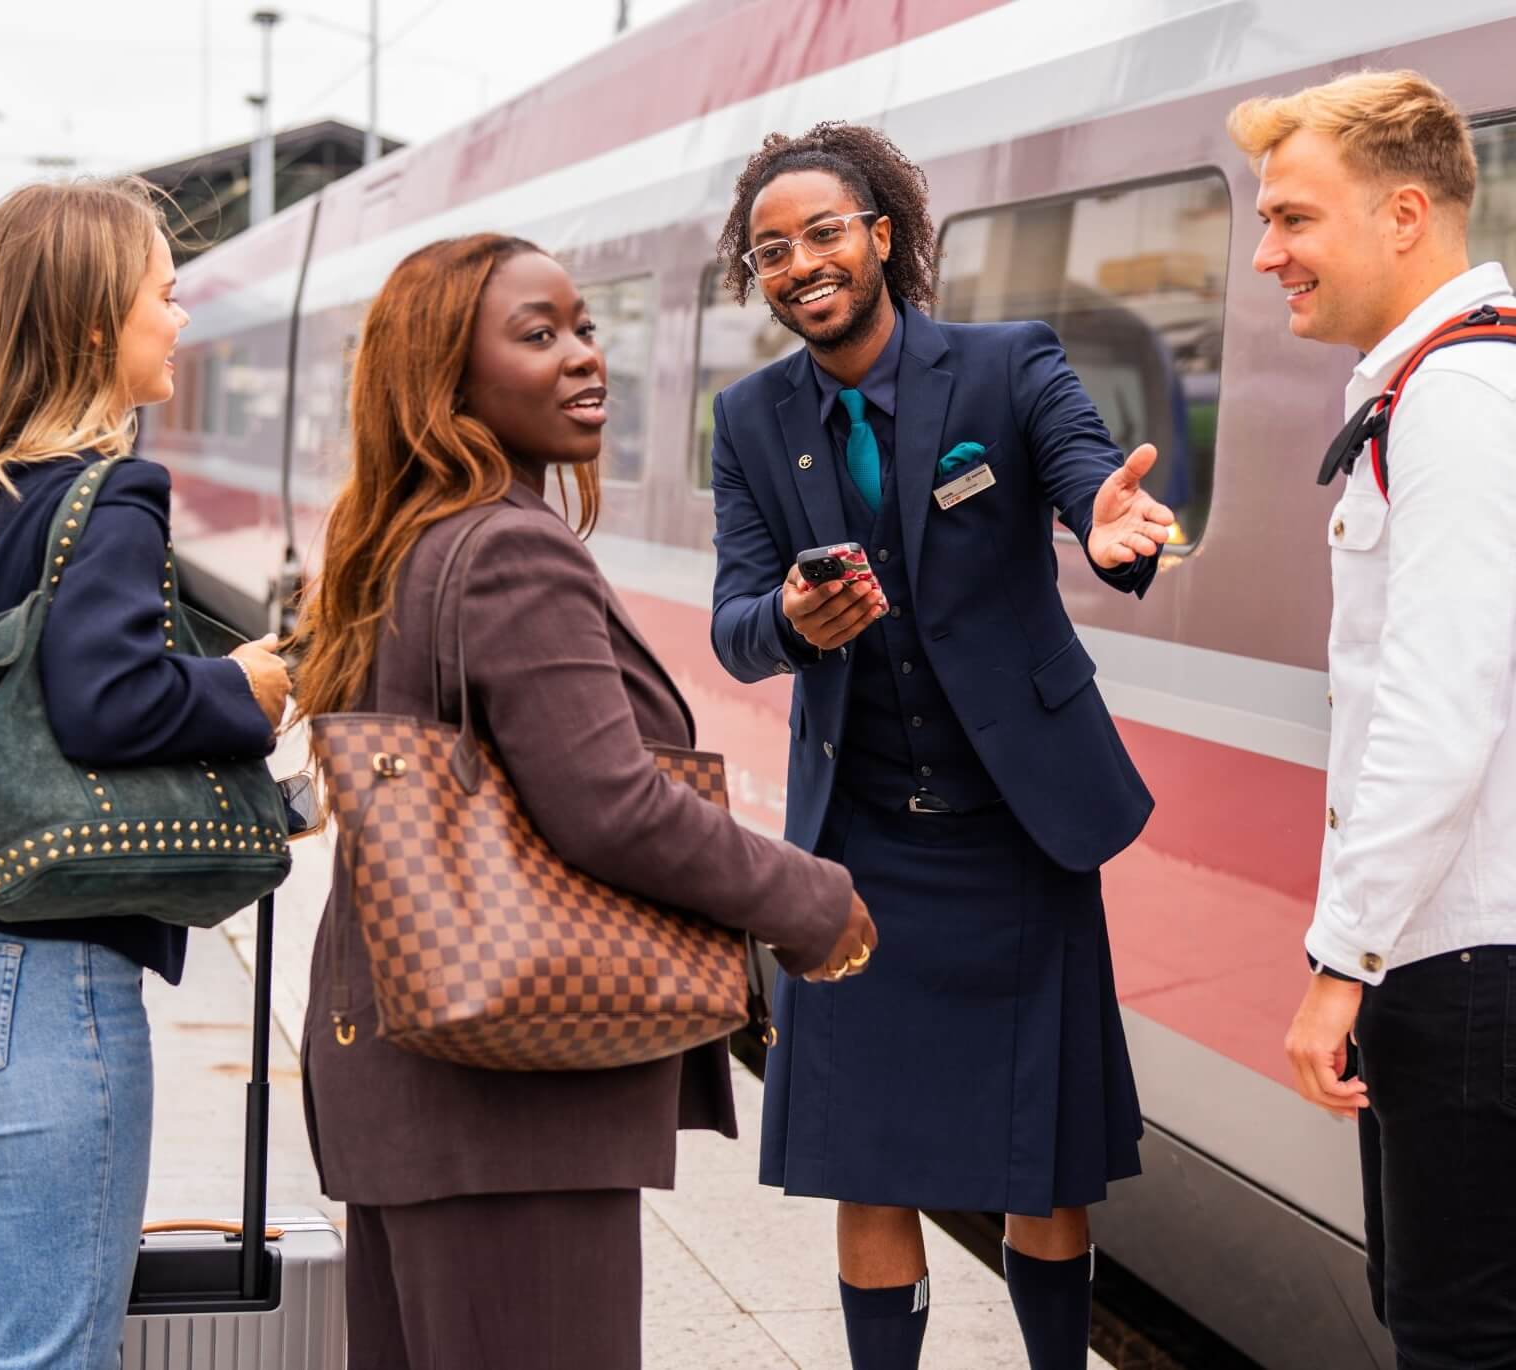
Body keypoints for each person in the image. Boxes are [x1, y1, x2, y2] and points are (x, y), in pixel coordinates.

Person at [289, 233, 875, 1370]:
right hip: (505, 1101)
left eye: (585, 327)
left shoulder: (406, 538)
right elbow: (609, 804)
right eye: (538, 334)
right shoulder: (511, 550)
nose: (583, 359)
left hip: (415, 1078)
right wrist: (812, 901)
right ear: (443, 378)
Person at [706, 123, 1174, 1370]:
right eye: (769, 250)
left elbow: (1084, 474)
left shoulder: (1003, 365)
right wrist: (794, 625)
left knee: (1045, 1154)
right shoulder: (751, 420)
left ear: (879, 236)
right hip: (858, 844)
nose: (798, 263)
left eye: (820, 234)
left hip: (1020, 831)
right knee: (870, 1159)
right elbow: (735, 627)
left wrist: (1110, 519)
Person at [0, 178, 290, 1370]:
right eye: (163, 290)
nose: (179, 315)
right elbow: (113, 701)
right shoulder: (109, 497)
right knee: (50, 1352)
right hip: (29, 986)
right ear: (97, 321)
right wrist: (241, 689)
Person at [1228, 70, 1516, 1367]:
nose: (1265, 251)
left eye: (1293, 217)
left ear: (1405, 215)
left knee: (1454, 1336)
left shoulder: (1458, 399)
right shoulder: (1438, 385)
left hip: (1462, 966)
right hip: (1459, 955)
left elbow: (1440, 701)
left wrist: (1341, 960)